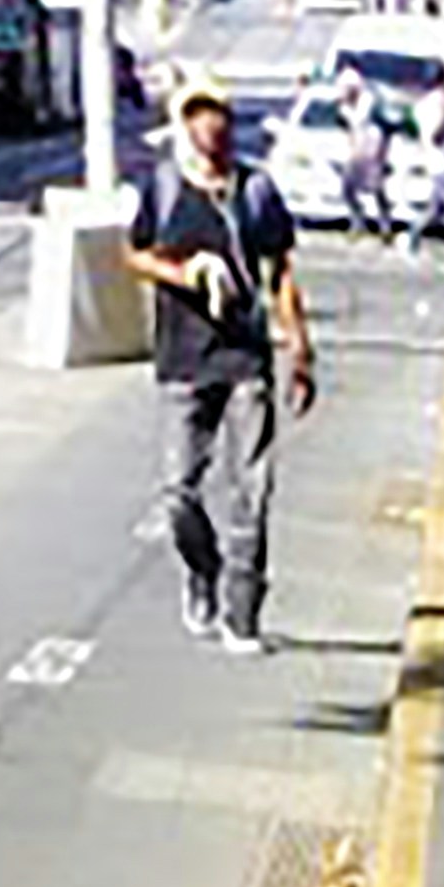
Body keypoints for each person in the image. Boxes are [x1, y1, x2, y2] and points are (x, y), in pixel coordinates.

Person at [131, 79, 317, 640]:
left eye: (217, 114)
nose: (209, 125)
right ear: (184, 124)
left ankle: (243, 610)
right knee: (178, 492)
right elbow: (135, 253)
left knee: (253, 488)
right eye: (197, 114)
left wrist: (300, 347)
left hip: (245, 358)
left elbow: (279, 271)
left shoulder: (255, 190)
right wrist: (185, 274)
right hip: (184, 358)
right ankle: (203, 569)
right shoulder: (164, 187)